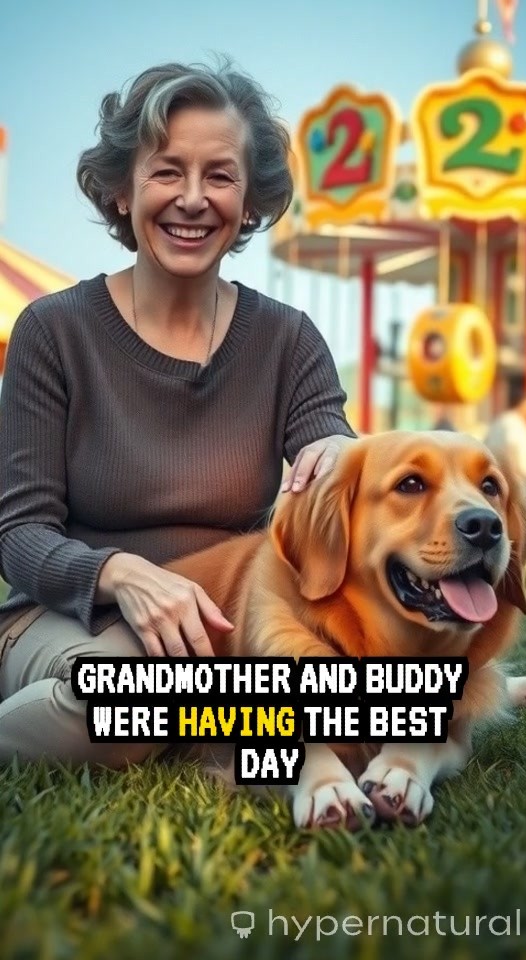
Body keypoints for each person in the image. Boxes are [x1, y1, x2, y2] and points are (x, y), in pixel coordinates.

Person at [0, 61, 356, 767]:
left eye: (220, 176)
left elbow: (329, 438)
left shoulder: (288, 338)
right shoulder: (54, 330)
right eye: (167, 172)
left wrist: (343, 452)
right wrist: (123, 574)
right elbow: (18, 534)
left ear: (250, 201)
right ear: (121, 190)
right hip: (67, 617)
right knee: (134, 700)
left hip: (219, 631)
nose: (192, 199)